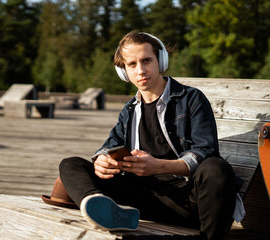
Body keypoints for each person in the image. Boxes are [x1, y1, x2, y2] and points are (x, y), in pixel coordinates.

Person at [59, 31, 244, 240]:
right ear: (123, 71)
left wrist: (157, 166)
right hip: (144, 200)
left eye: (146, 60)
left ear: (161, 61)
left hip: (188, 202)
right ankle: (98, 207)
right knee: (71, 164)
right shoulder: (129, 110)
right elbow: (110, 145)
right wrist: (102, 160)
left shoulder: (191, 99)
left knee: (216, 168)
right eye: (132, 64)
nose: (141, 70)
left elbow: (205, 152)